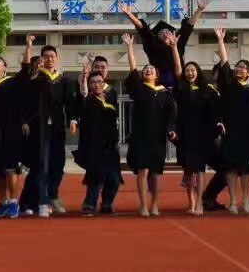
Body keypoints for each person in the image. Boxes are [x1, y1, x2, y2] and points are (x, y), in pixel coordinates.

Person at [121, 32, 179, 217]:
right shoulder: (139, 88)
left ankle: (155, 204)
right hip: (140, 136)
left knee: (156, 173)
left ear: (157, 75)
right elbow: (133, 69)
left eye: (151, 69)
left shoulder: (165, 93)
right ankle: (143, 205)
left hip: (157, 137)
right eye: (146, 69)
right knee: (143, 171)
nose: (148, 70)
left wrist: (170, 129)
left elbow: (172, 113)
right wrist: (130, 47)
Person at [19, 37, 76, 217]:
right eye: (46, 56)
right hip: (38, 128)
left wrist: (73, 120)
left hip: (57, 127)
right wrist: (28, 47)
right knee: (41, 165)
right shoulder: (35, 78)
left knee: (57, 165)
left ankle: (50, 194)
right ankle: (40, 202)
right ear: (41, 59)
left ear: (56, 58)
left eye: (52, 56)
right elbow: (25, 100)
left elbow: (70, 103)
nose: (49, 59)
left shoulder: (64, 81)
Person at [212, 28, 249, 215]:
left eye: (243, 66)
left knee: (246, 171)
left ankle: (246, 201)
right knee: (231, 169)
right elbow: (225, 64)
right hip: (231, 133)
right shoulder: (229, 86)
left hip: (248, 135)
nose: (238, 68)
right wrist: (221, 41)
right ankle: (233, 201)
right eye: (238, 66)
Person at [116, 0, 210, 92]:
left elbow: (188, 27)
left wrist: (199, 10)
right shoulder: (153, 46)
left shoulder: (178, 43)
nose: (165, 34)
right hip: (158, 86)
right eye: (161, 33)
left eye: (168, 32)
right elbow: (142, 29)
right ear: (157, 37)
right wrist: (129, 14)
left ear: (173, 35)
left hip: (179, 85)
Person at [171, 58, 216, 216]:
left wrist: (218, 125)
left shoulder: (207, 90)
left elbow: (214, 111)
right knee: (188, 168)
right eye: (187, 70)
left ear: (198, 72)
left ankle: (199, 204)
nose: (190, 73)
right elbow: (177, 68)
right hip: (184, 134)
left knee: (200, 169)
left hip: (201, 134)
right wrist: (175, 47)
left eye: (192, 70)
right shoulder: (180, 88)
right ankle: (191, 202)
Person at [73, 70, 122, 215]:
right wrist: (85, 73)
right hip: (95, 145)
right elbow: (83, 91)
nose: (97, 85)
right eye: (93, 82)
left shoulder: (110, 100)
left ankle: (107, 203)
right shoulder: (88, 100)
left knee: (114, 179)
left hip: (111, 146)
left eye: (99, 82)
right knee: (96, 177)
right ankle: (89, 204)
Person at [0, 56, 25, 218]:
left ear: (5, 68)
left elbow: (21, 104)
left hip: (10, 132)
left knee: (10, 169)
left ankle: (14, 201)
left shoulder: (12, 84)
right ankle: (3, 202)